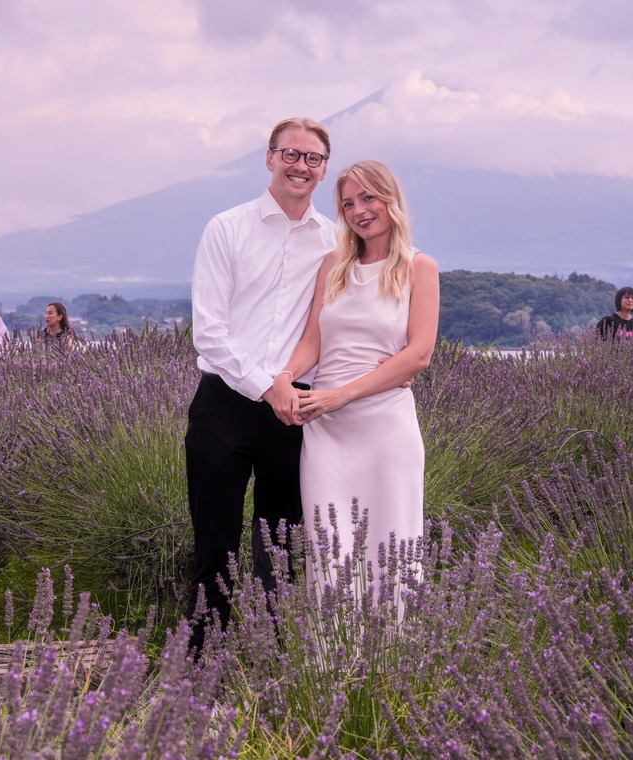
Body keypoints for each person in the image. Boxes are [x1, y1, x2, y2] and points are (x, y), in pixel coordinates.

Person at [185, 117, 338, 653]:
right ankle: (200, 667)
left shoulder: (335, 241)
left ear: (324, 170)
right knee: (215, 545)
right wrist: (265, 385)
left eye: (312, 158)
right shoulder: (227, 228)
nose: (300, 165)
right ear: (269, 158)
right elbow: (209, 332)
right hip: (225, 403)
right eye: (290, 154)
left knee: (282, 549)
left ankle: (270, 665)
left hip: (295, 412)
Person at [270, 160, 439, 601]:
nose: (359, 211)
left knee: (394, 548)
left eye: (368, 198)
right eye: (348, 203)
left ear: (391, 200)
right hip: (326, 432)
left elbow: (419, 355)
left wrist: (339, 396)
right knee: (331, 551)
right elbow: (313, 341)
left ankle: (395, 665)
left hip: (385, 427)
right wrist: (286, 379)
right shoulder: (333, 265)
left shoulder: (420, 268)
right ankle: (332, 668)